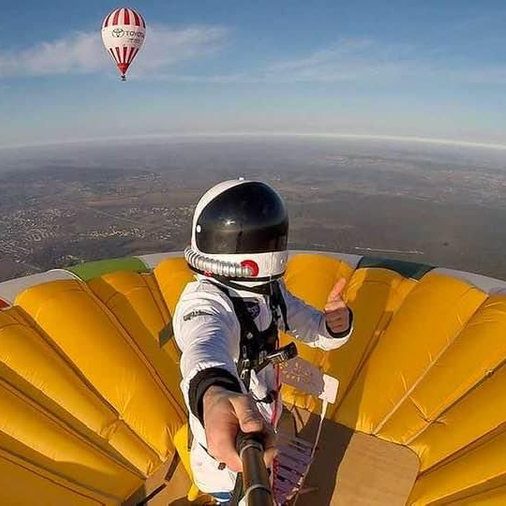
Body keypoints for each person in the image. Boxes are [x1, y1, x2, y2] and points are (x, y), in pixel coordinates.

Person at [173, 179, 353, 504]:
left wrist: (332, 326)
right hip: (227, 444)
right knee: (237, 495)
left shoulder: (269, 292)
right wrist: (214, 392)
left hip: (260, 423)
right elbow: (203, 344)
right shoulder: (205, 302)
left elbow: (309, 327)